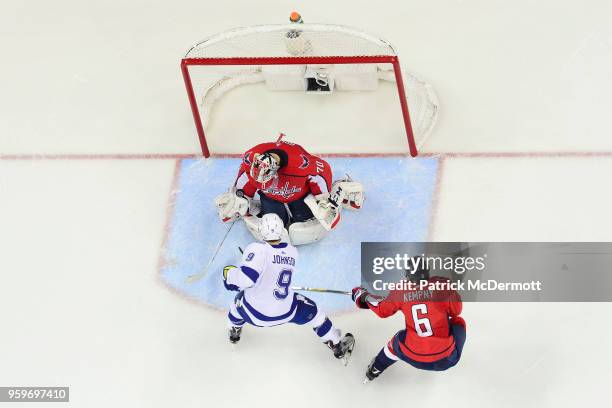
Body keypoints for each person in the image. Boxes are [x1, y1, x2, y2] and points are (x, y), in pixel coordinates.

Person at [223, 213, 355, 364]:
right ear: (281, 230)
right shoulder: (293, 252)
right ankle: (336, 345)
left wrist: (228, 274)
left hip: (254, 315)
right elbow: (275, 266)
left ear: (260, 229)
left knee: (237, 303)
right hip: (286, 311)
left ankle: (234, 332)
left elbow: (243, 281)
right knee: (315, 313)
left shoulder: (257, 249)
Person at [214, 135, 364, 245]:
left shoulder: (300, 163)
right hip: (270, 197)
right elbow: (245, 175)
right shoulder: (250, 157)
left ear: (276, 170)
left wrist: (323, 199)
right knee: (274, 225)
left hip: (299, 196)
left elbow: (321, 171)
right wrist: (240, 196)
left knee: (303, 221)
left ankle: (341, 185)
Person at [352, 263, 466, 383]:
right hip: (446, 359)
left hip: (413, 356)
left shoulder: (401, 290)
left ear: (408, 276)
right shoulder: (442, 285)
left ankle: (375, 369)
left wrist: (362, 296)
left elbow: (382, 310)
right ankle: (447, 346)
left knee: (397, 340)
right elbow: (456, 311)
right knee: (457, 322)